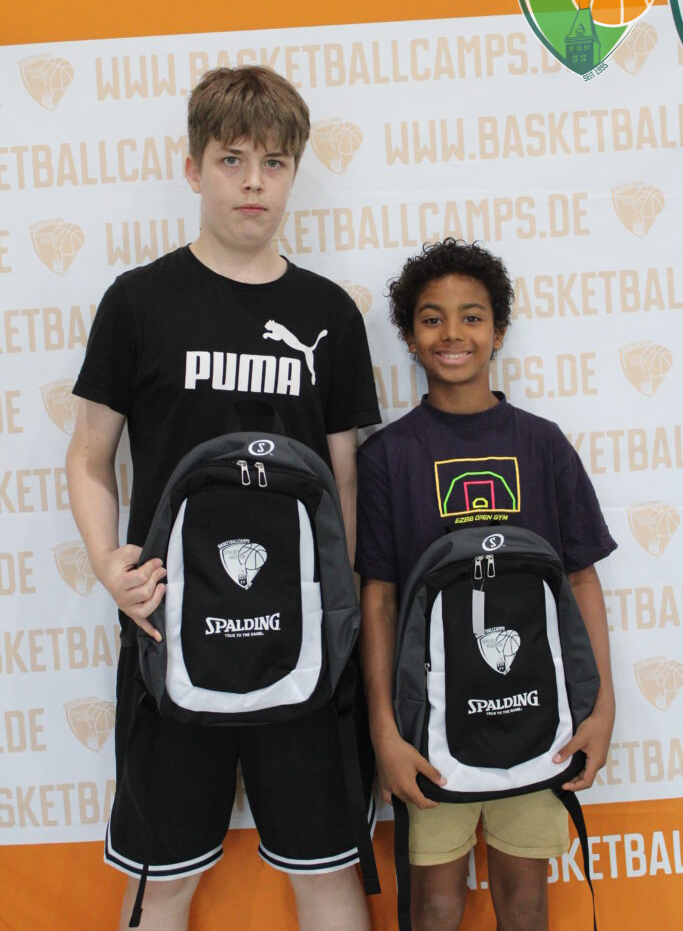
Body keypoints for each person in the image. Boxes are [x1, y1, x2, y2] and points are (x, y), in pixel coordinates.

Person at [66, 65, 380, 931]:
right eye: (231, 159)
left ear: (294, 172)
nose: (252, 182)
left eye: (273, 163)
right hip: (167, 626)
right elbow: (89, 456)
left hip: (306, 637)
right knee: (161, 880)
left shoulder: (328, 313)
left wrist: (341, 610)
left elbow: (344, 477)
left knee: (326, 874)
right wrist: (108, 565)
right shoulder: (139, 302)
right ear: (193, 168)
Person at [356, 239, 616, 931]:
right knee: (435, 903)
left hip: (536, 719)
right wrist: (384, 729)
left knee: (525, 899)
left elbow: (580, 578)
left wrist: (601, 706)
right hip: (429, 726)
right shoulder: (386, 457)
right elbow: (378, 600)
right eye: (431, 318)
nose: (452, 334)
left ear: (498, 331)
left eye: (471, 317)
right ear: (409, 337)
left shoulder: (542, 444)